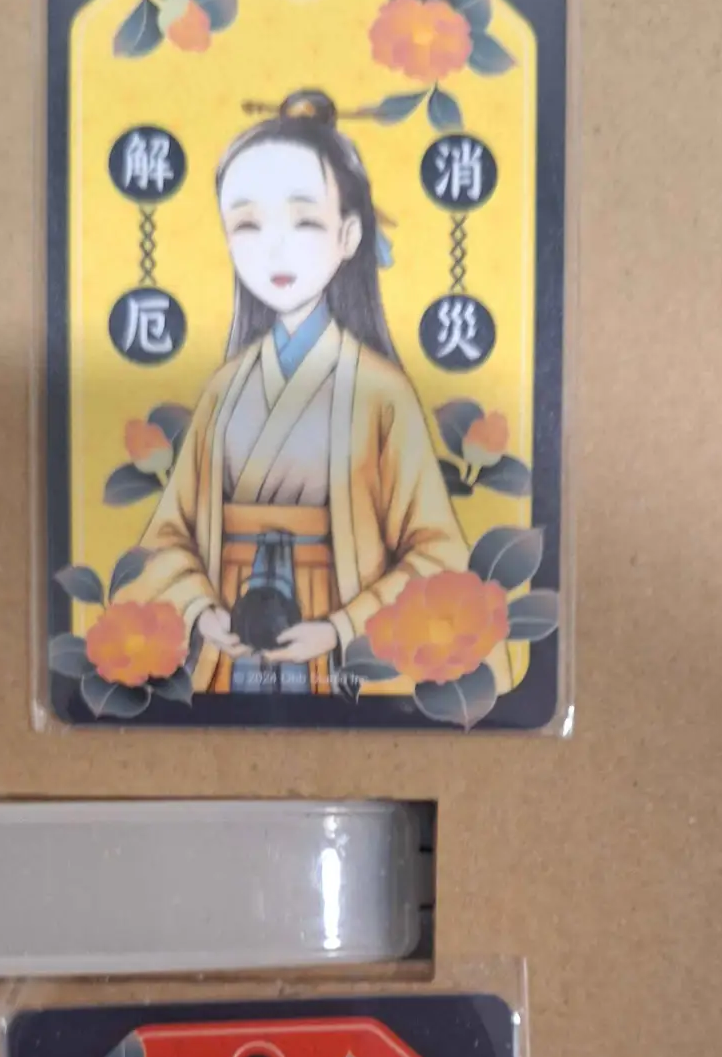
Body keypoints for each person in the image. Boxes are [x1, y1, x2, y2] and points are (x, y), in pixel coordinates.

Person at [130, 89, 511, 696]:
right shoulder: (224, 390)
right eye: (247, 225)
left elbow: (436, 553)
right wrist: (202, 610)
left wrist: (340, 627)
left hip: (335, 639)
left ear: (349, 234)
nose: (274, 247)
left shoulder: (381, 392)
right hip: (229, 639)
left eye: (305, 221)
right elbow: (166, 538)